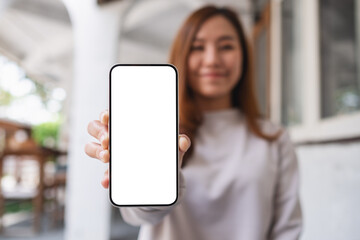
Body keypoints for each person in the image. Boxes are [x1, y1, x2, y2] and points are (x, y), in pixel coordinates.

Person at [85, 5, 302, 240]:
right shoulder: (160, 128)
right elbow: (141, 215)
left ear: (245, 56)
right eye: (198, 47)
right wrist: (135, 173)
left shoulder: (274, 138)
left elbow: (287, 230)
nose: (212, 60)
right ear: (183, 55)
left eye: (226, 46)